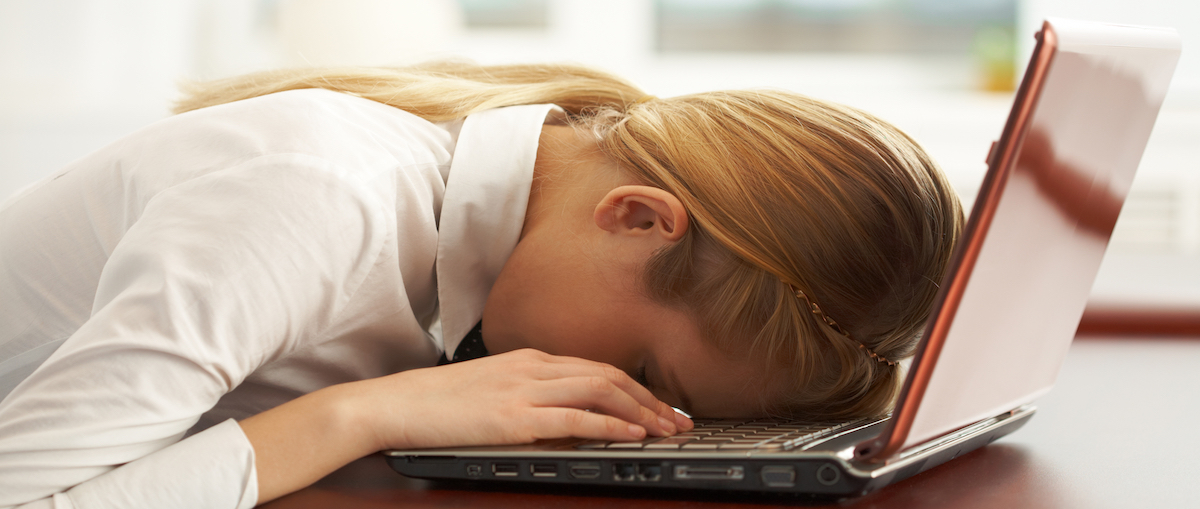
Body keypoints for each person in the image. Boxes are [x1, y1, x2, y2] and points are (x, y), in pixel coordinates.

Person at [0, 62, 962, 508]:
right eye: (644, 366)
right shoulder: (321, 199)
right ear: (635, 218)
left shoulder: (475, 224)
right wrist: (358, 415)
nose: (633, 408)